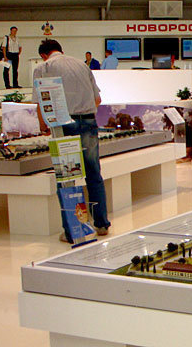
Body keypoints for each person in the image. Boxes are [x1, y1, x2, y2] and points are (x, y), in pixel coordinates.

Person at [32, 39, 110, 242]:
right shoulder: (81, 65)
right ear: (60, 49)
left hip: (63, 126)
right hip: (89, 121)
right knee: (94, 173)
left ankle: (73, 230)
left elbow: (41, 101)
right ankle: (101, 224)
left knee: (67, 177)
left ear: (43, 55)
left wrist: (43, 126)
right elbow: (98, 99)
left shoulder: (43, 68)